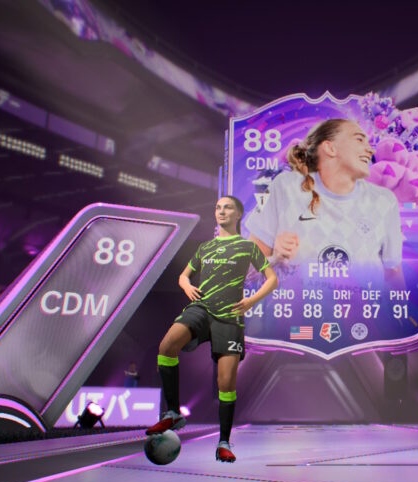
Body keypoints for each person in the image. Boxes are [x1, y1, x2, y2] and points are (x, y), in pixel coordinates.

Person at [145, 196, 278, 463]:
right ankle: (173, 413)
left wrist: (251, 301)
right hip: (201, 308)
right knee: (167, 346)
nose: (221, 211)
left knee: (225, 383)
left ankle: (223, 443)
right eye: (218, 207)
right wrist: (186, 285)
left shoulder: (247, 247)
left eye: (227, 207)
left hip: (230, 317)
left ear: (238, 214)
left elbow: (272, 279)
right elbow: (183, 275)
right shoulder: (205, 247)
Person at [245, 119, 404, 285]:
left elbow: (395, 279)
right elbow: (247, 273)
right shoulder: (284, 187)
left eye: (368, 143)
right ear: (330, 148)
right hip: (297, 301)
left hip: (366, 302)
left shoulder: (384, 201)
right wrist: (275, 259)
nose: (370, 150)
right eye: (359, 139)